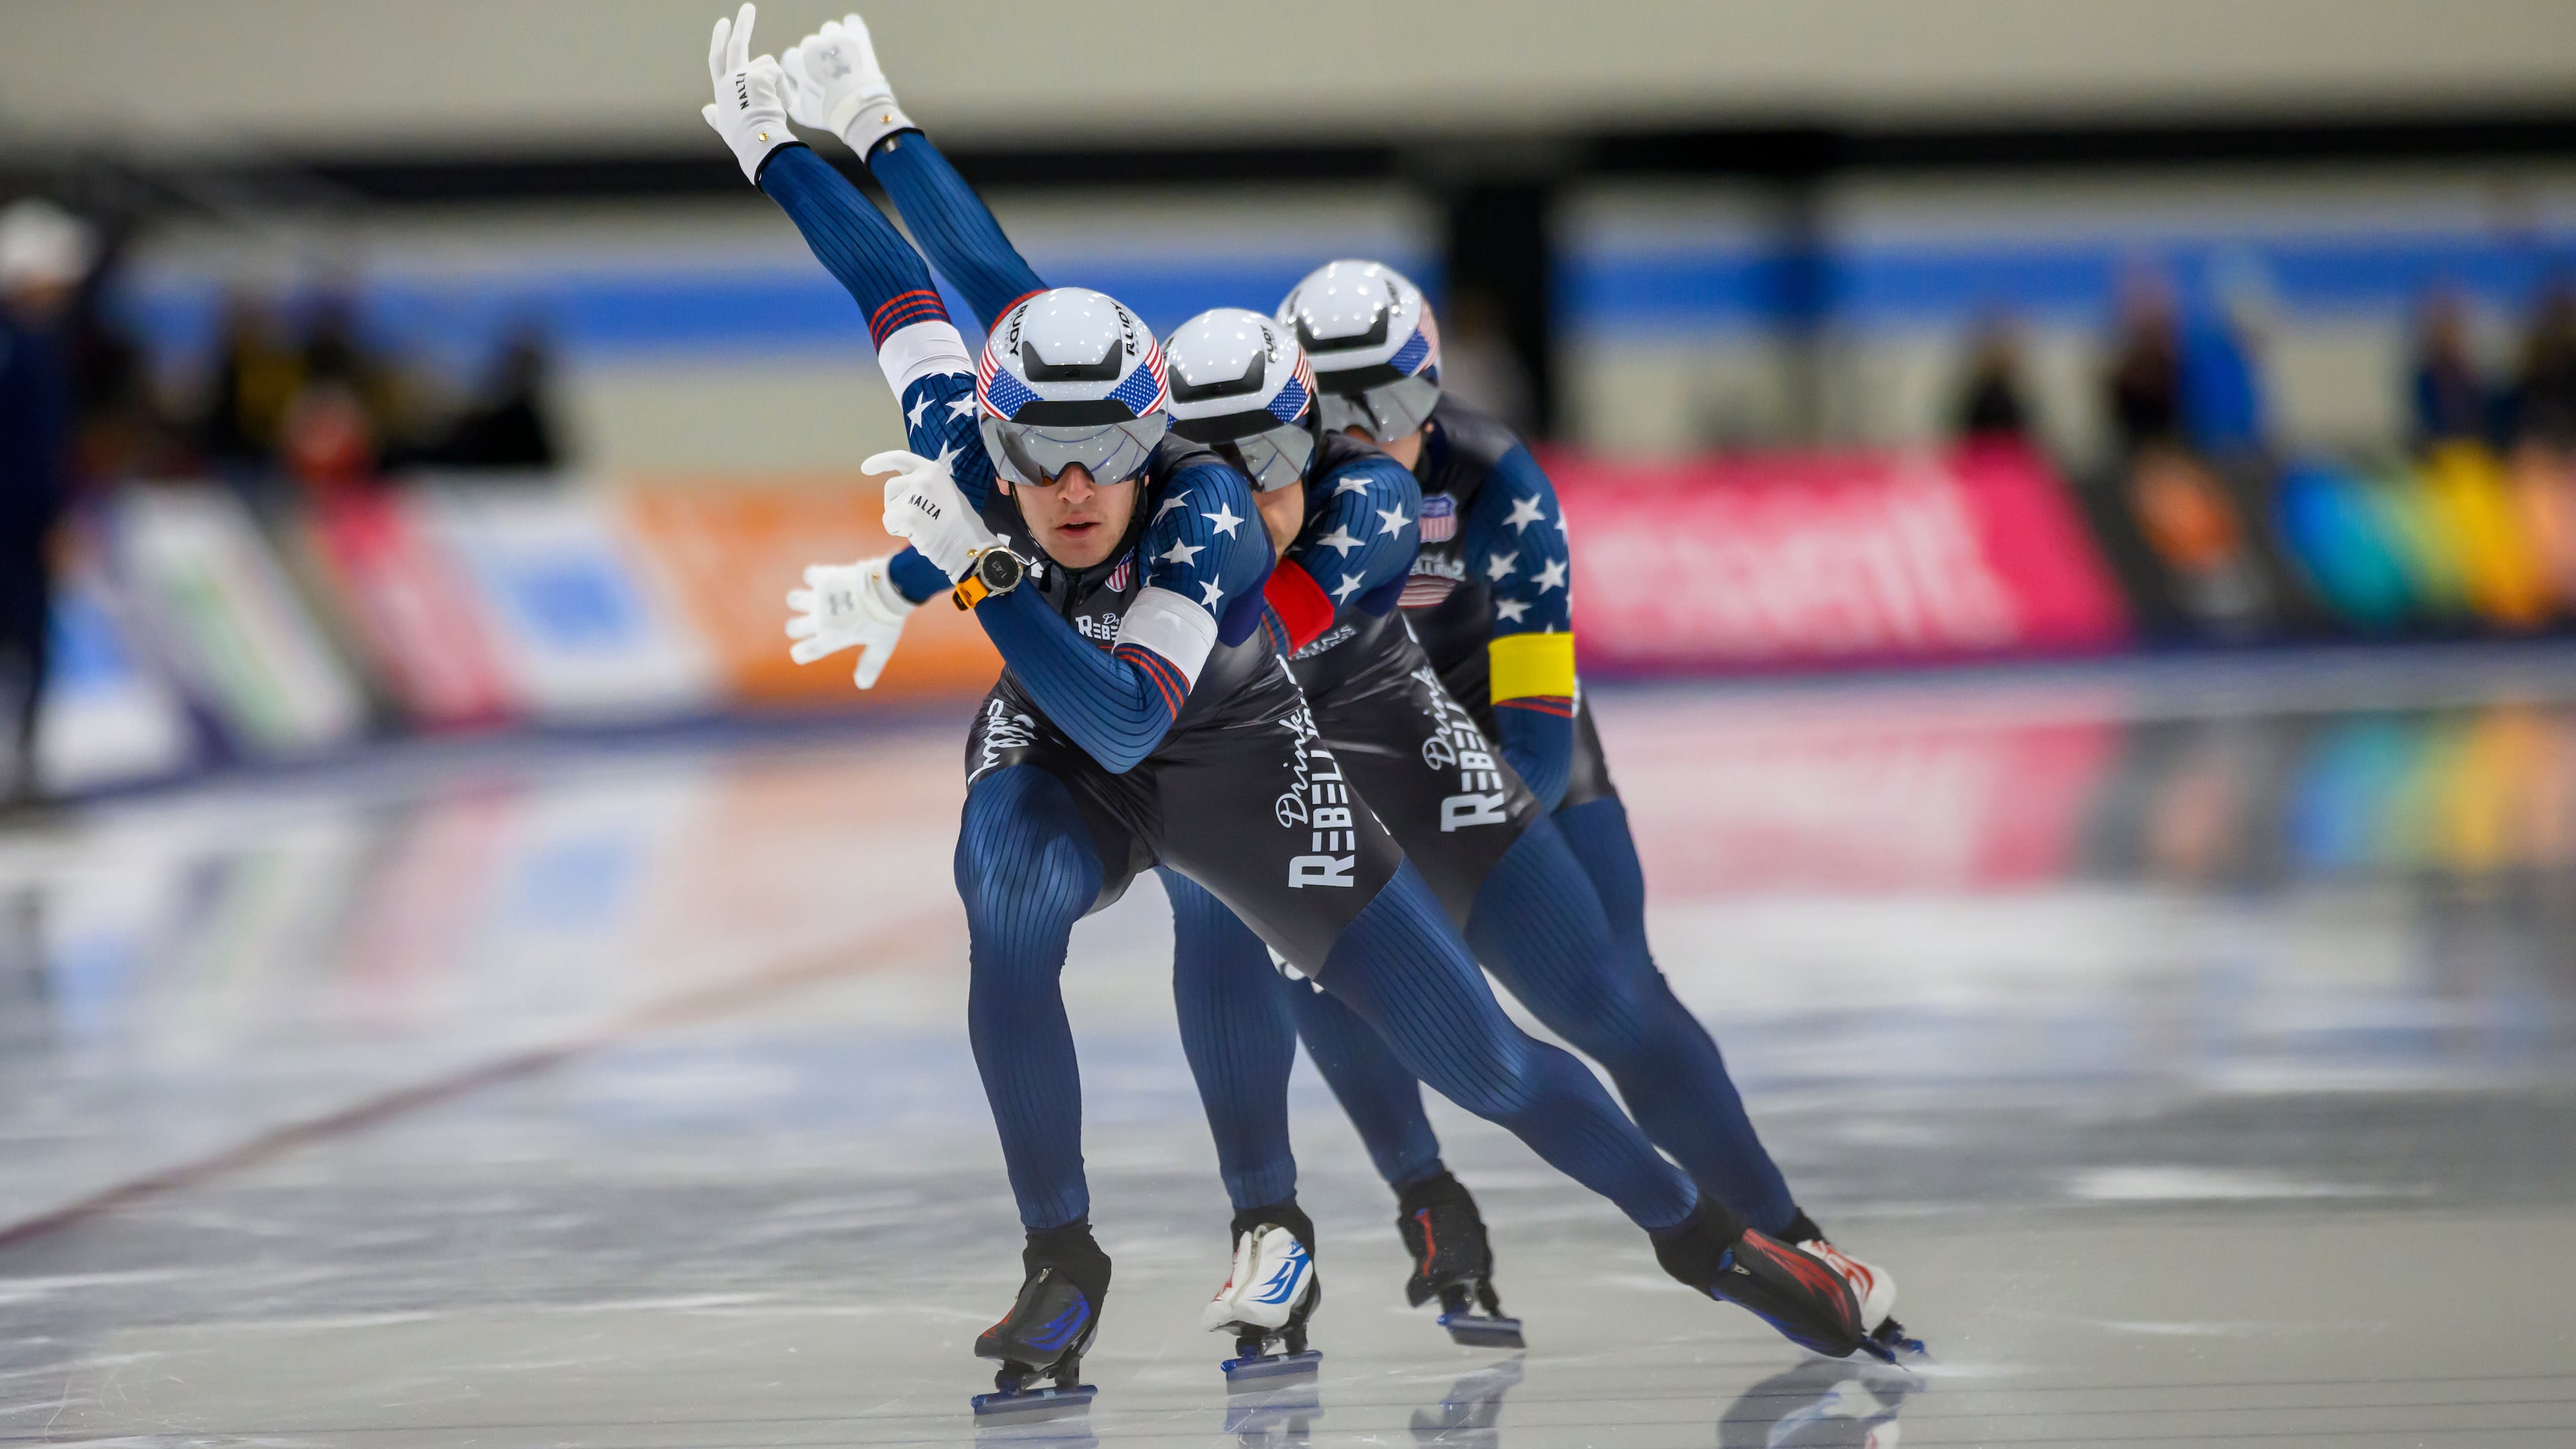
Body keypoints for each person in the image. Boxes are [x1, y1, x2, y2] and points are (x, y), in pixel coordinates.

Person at [708, 4, 1876, 1405]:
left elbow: (1147, 712)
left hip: (1240, 725)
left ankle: (1709, 1239)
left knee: (1491, 1057)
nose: (1077, 488)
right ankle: (1098, 1249)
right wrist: (799, 144)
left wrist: (965, 582)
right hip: (1096, 728)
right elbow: (926, 293)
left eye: (1273, 450)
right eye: (1042, 455)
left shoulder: (1302, 509)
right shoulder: (1015, 427)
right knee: (1006, 891)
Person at [0, 199, 91, 809]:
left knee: (31, 643)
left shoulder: (36, 342)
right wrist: (52, 517)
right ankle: (24, 766)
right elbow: (32, 449)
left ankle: (27, 762)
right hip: (16, 522)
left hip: (26, 518)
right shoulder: (21, 347)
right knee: (25, 640)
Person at [2410, 290, 2489, 452]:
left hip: (2472, 451)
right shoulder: (2427, 378)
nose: (2447, 335)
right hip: (2440, 453)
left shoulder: (2468, 374)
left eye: (2451, 329)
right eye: (2441, 329)